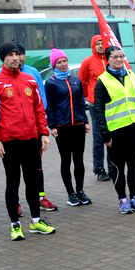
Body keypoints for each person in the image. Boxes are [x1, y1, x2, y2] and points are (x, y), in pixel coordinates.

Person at [0, 42, 56, 241]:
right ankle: (15, 224)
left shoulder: (30, 80)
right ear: (3, 58)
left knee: (32, 182)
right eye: (10, 55)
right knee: (13, 182)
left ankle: (36, 221)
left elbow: (39, 109)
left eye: (17, 54)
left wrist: (43, 133)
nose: (15, 58)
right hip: (8, 142)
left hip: (31, 139)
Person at [94, 46, 135, 214]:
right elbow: (99, 111)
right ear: (108, 59)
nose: (119, 60)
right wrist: (105, 135)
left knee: (134, 165)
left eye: (121, 56)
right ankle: (122, 199)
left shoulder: (131, 76)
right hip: (115, 131)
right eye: (115, 57)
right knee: (118, 167)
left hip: (134, 127)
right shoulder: (102, 81)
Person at [45, 48, 92, 207]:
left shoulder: (75, 79)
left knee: (79, 160)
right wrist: (52, 125)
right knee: (66, 160)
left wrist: (85, 120)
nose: (63, 64)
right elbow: (49, 106)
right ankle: (70, 193)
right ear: (54, 65)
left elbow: (80, 102)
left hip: (78, 125)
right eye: (59, 62)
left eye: (64, 61)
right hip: (62, 127)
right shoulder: (51, 83)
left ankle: (80, 191)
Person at [79, 35, 113, 182]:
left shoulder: (110, 59)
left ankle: (112, 167)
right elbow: (82, 81)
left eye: (102, 43)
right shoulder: (87, 61)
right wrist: (89, 96)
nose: (100, 46)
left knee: (112, 135)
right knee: (99, 137)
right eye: (97, 44)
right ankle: (99, 169)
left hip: (112, 104)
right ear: (93, 46)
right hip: (96, 104)